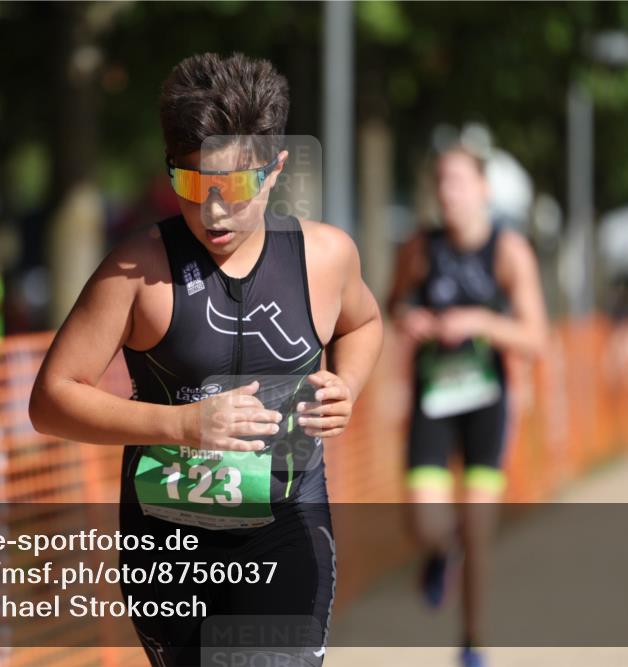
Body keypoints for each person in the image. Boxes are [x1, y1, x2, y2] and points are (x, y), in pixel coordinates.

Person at [30, 52, 383, 666]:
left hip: (286, 524)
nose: (214, 211)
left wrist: (345, 383)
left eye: (234, 186)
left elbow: (366, 321)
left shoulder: (325, 257)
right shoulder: (137, 273)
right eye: (192, 184)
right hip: (168, 540)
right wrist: (184, 426)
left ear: (274, 171)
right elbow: (51, 398)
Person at [386, 143, 548, 667]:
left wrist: (478, 323)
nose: (447, 193)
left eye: (458, 181)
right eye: (441, 182)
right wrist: (409, 318)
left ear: (483, 189)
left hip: (487, 402)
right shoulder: (419, 247)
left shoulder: (508, 250)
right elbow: (394, 302)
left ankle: (473, 643)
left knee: (478, 530)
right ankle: (438, 552)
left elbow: (535, 337)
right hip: (433, 400)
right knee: (426, 525)